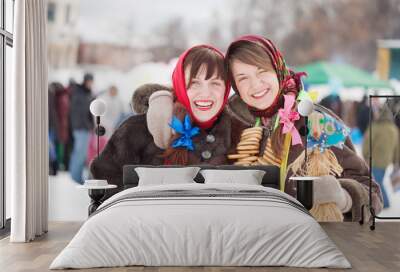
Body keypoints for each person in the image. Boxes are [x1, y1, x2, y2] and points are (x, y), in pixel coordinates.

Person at [224, 35, 383, 222]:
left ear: (278, 69)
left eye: (262, 71)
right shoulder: (231, 128)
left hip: (309, 245)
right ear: (235, 86)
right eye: (243, 78)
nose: (255, 84)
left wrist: (343, 197)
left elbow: (372, 193)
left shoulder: (318, 122)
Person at [90, 45, 237, 196]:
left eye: (215, 83)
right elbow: (103, 181)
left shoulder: (239, 134)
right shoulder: (137, 130)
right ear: (180, 83)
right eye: (194, 83)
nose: (206, 93)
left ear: (226, 89)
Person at [362, 105, 399, 208]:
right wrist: (396, 161)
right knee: (378, 181)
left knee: (377, 182)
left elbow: (367, 143)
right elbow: (397, 147)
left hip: (374, 160)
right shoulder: (394, 128)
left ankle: (384, 203)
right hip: (386, 161)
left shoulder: (375, 127)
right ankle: (379, 202)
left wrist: (365, 156)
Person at [69, 73, 95, 184]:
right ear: (85, 81)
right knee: (79, 154)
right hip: (81, 128)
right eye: (89, 81)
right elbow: (81, 113)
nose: (91, 84)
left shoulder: (86, 93)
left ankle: (77, 177)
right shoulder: (80, 94)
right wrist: (89, 126)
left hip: (83, 128)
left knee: (82, 154)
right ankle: (75, 178)